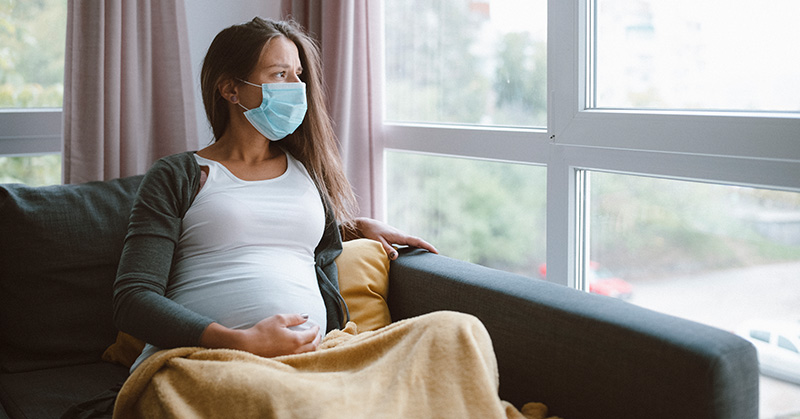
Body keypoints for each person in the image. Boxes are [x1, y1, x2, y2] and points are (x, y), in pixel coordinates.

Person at [112, 16, 437, 372]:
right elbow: (133, 300)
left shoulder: (307, 171)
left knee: (455, 331)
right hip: (207, 361)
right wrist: (241, 341)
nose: (297, 87)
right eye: (280, 75)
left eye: (298, 75)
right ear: (230, 89)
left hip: (315, 356)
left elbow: (282, 233)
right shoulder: (180, 175)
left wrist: (356, 227)